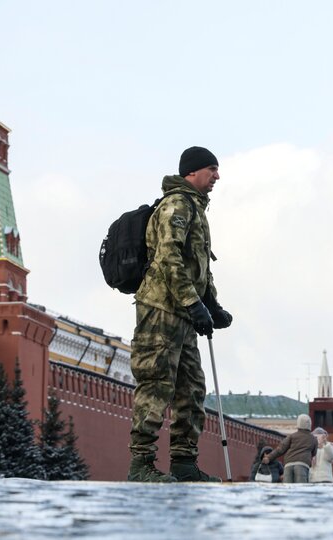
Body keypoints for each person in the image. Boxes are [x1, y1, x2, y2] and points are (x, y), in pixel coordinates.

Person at [127, 146, 233, 483]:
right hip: (161, 311)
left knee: (192, 388)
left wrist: (211, 305)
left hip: (183, 315)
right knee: (156, 384)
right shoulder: (177, 205)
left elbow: (199, 265)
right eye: (212, 169)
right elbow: (168, 258)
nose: (217, 176)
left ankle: (184, 462)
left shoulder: (196, 208)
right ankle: (141, 464)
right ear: (192, 172)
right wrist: (192, 302)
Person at [263, 414, 317, 483]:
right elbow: (314, 453)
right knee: (301, 488)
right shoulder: (313, 439)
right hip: (302, 465)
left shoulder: (292, 436)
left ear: (298, 423)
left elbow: (281, 449)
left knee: (287, 487)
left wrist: (269, 457)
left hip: (289, 465)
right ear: (310, 424)